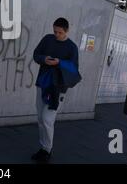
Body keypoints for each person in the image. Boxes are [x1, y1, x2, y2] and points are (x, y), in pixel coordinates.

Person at [31, 18, 80, 163]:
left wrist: (59, 62)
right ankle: (43, 147)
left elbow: (74, 69)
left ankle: (47, 149)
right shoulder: (47, 39)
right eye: (55, 31)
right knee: (40, 118)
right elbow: (36, 54)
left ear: (67, 31)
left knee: (47, 119)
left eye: (59, 32)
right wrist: (44, 59)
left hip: (59, 88)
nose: (56, 35)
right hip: (42, 83)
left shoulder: (72, 47)